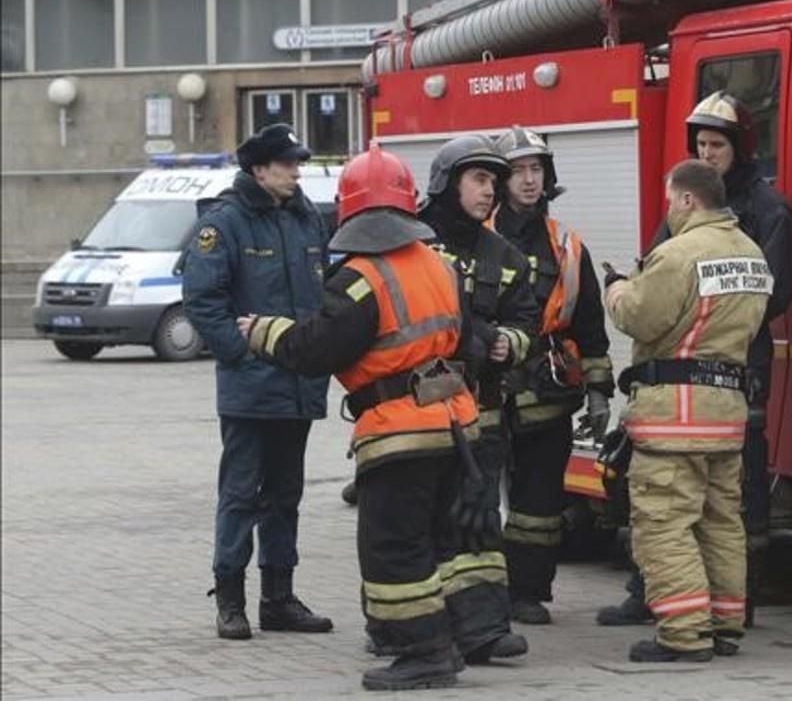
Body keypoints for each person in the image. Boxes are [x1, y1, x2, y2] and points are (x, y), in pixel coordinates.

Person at [238, 143, 483, 690]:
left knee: (394, 549)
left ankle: (423, 655)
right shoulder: (441, 266)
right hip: (453, 425)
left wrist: (263, 331)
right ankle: (447, 640)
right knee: (436, 543)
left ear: (349, 211)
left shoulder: (358, 278)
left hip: (399, 434)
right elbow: (467, 338)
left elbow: (316, 350)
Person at [598, 91, 792, 627]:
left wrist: (627, 294)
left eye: (717, 145)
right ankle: (661, 595)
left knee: (711, 504)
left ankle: (722, 609)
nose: (708, 153)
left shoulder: (767, 211)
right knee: (708, 507)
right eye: (702, 144)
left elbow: (769, 296)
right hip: (704, 381)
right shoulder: (690, 218)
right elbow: (656, 270)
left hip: (727, 374)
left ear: (740, 148)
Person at [604, 159, 771, 661]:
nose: (668, 210)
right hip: (725, 414)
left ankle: (684, 634)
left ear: (686, 199)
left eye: (670, 199)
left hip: (674, 415)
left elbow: (642, 317)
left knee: (664, 522)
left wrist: (616, 288)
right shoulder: (752, 253)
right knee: (721, 521)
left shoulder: (677, 254)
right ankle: (724, 625)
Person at [181, 123, 333, 641]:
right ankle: (230, 600)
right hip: (251, 390)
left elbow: (323, 292)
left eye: (297, 163)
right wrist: (241, 354)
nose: (296, 171)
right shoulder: (225, 224)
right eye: (288, 163)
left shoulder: (305, 217)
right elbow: (203, 300)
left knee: (285, 495)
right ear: (259, 169)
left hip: (298, 385)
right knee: (241, 495)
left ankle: (279, 599)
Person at [415, 133, 541, 664]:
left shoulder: (504, 256)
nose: (491, 191)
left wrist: (511, 342)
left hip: (480, 413)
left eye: (494, 181)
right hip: (416, 414)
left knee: (479, 520)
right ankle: (411, 628)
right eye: (480, 179)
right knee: (415, 522)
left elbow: (527, 318)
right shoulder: (413, 246)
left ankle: (485, 630)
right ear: (447, 183)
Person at [490, 126, 614, 625]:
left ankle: (528, 592)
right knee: (476, 500)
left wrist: (601, 389)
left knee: (539, 503)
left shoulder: (566, 244)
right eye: (518, 171)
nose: (528, 180)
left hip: (547, 392)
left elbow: (589, 323)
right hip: (487, 391)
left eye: (535, 170)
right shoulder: (477, 239)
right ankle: (480, 593)